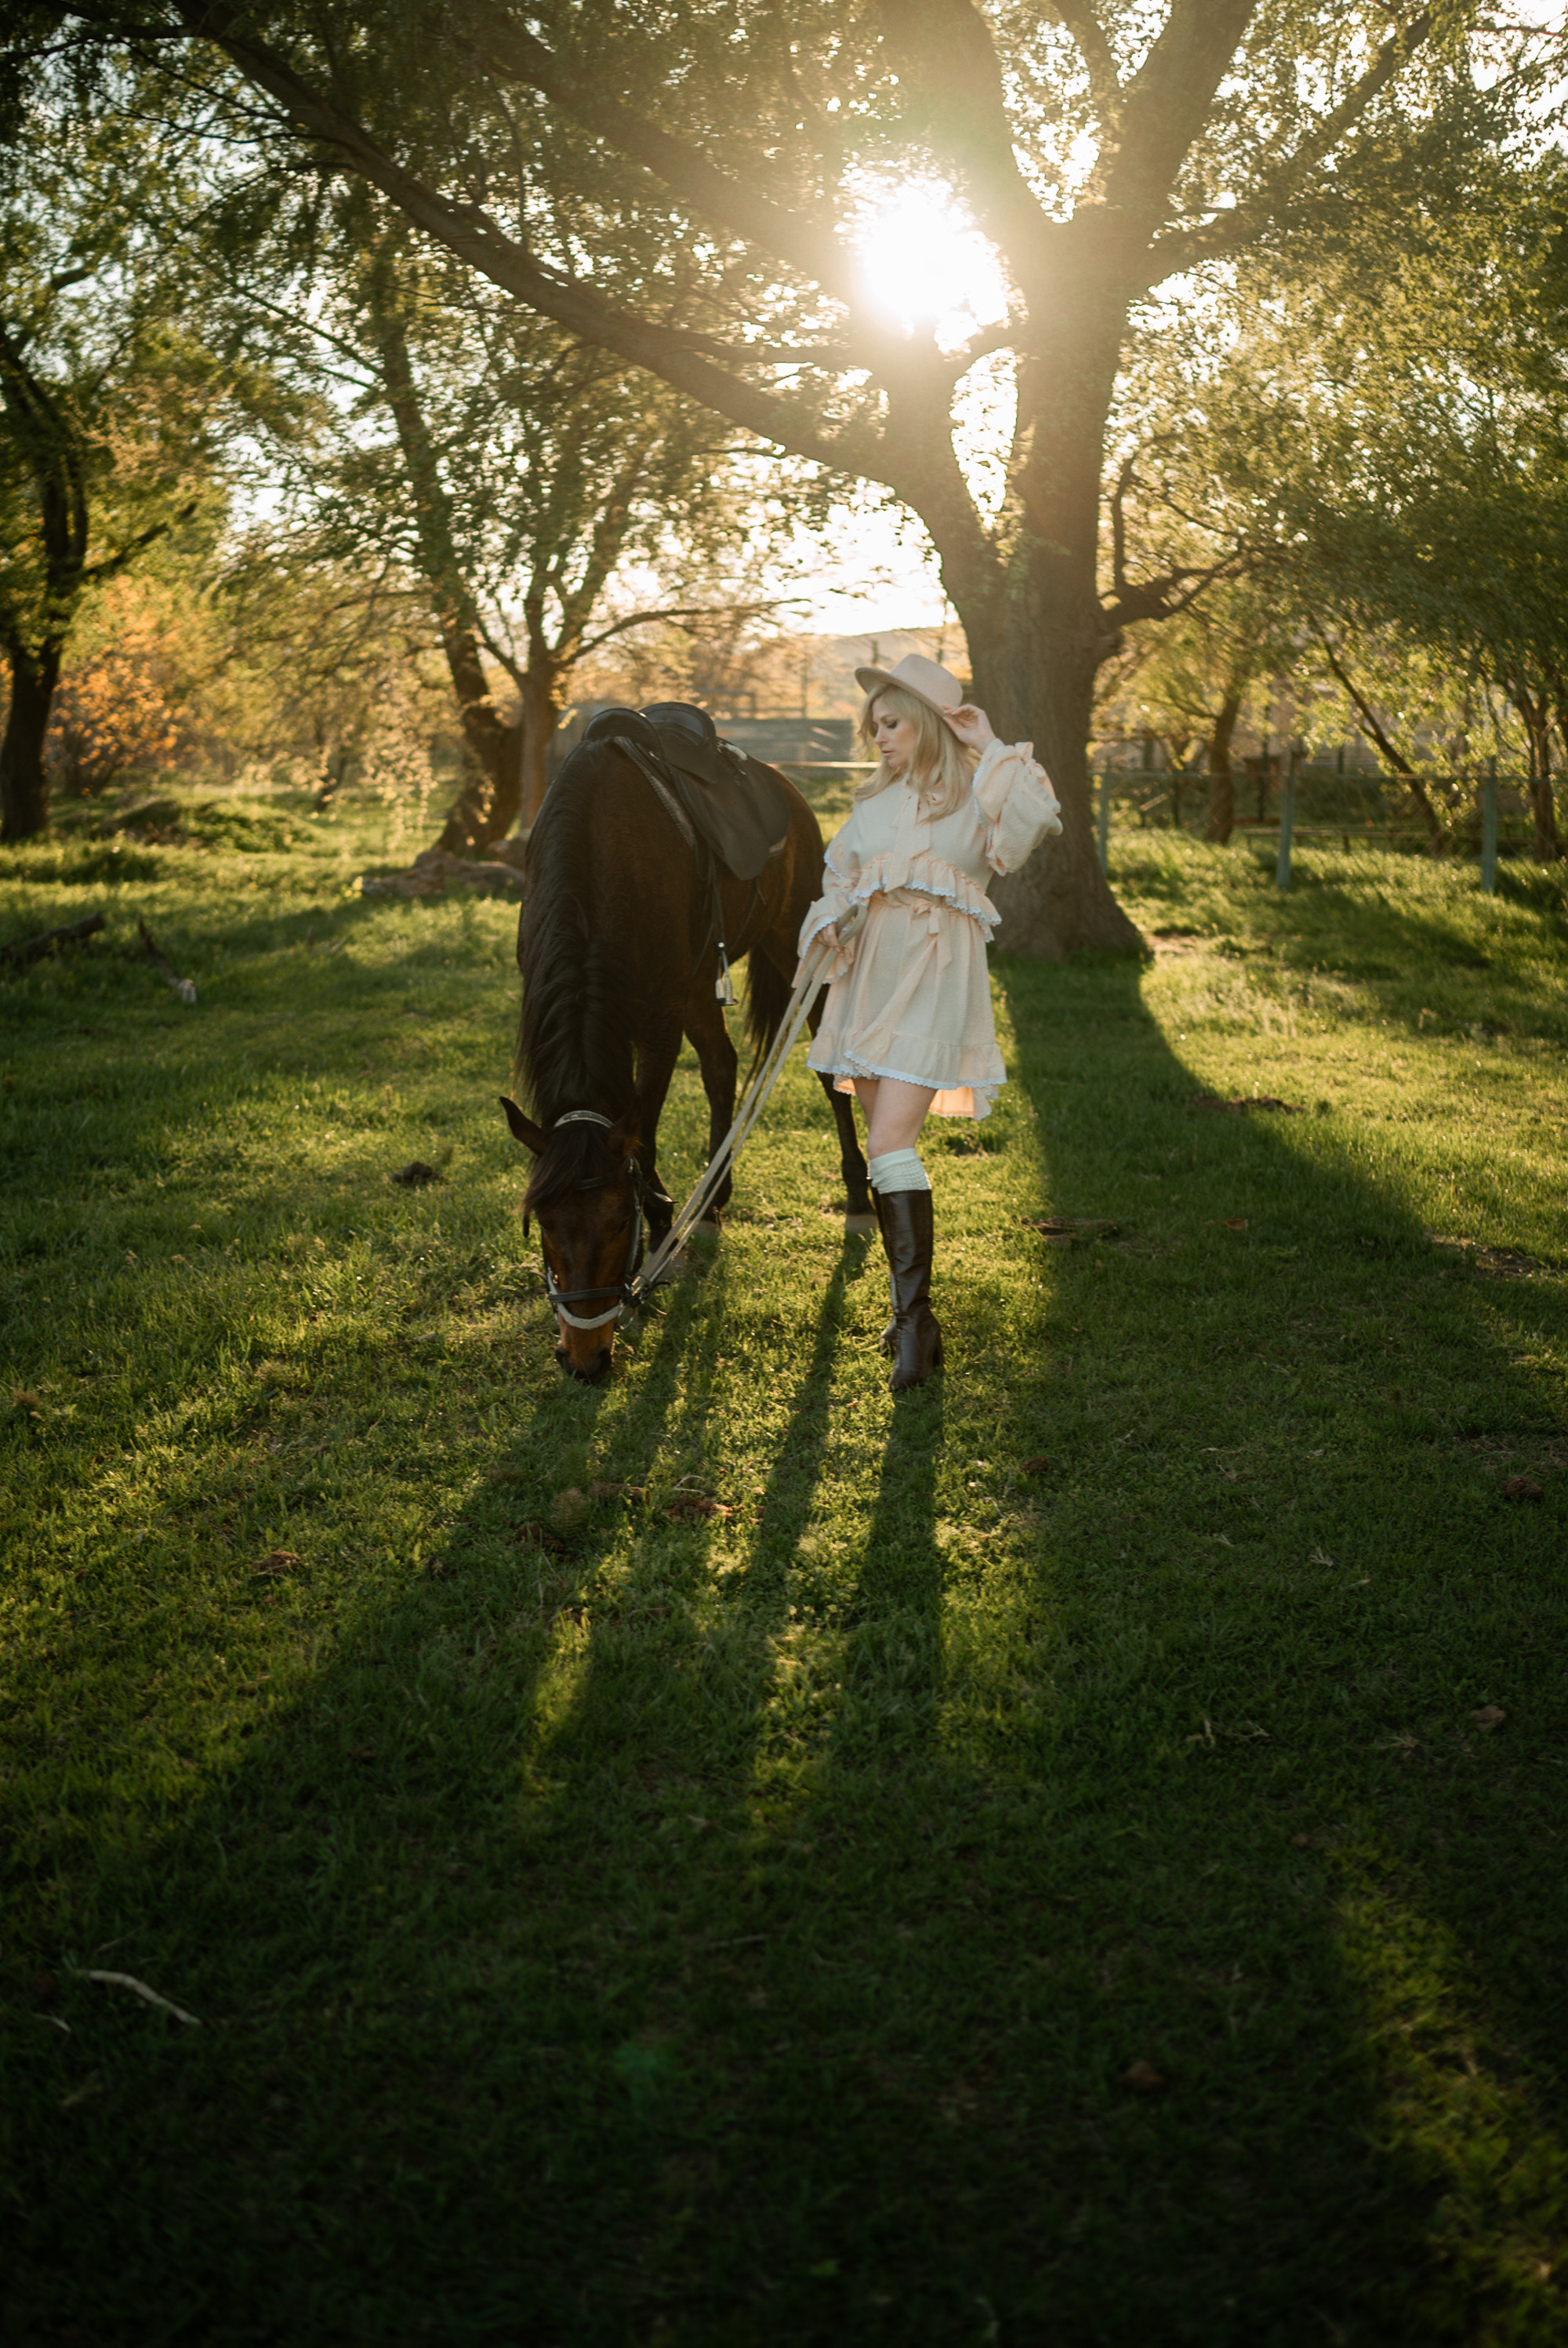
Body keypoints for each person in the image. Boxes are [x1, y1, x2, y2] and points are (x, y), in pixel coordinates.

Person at [796, 652, 1062, 1389]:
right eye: (873, 726)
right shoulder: (872, 807)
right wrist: (828, 922)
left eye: (892, 723)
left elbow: (1033, 822)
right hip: (870, 983)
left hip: (936, 978)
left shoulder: (981, 793)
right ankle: (910, 1313)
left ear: (926, 723)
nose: (878, 737)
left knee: (888, 1142)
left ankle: (915, 1326)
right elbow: (837, 881)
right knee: (887, 1154)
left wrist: (989, 741)